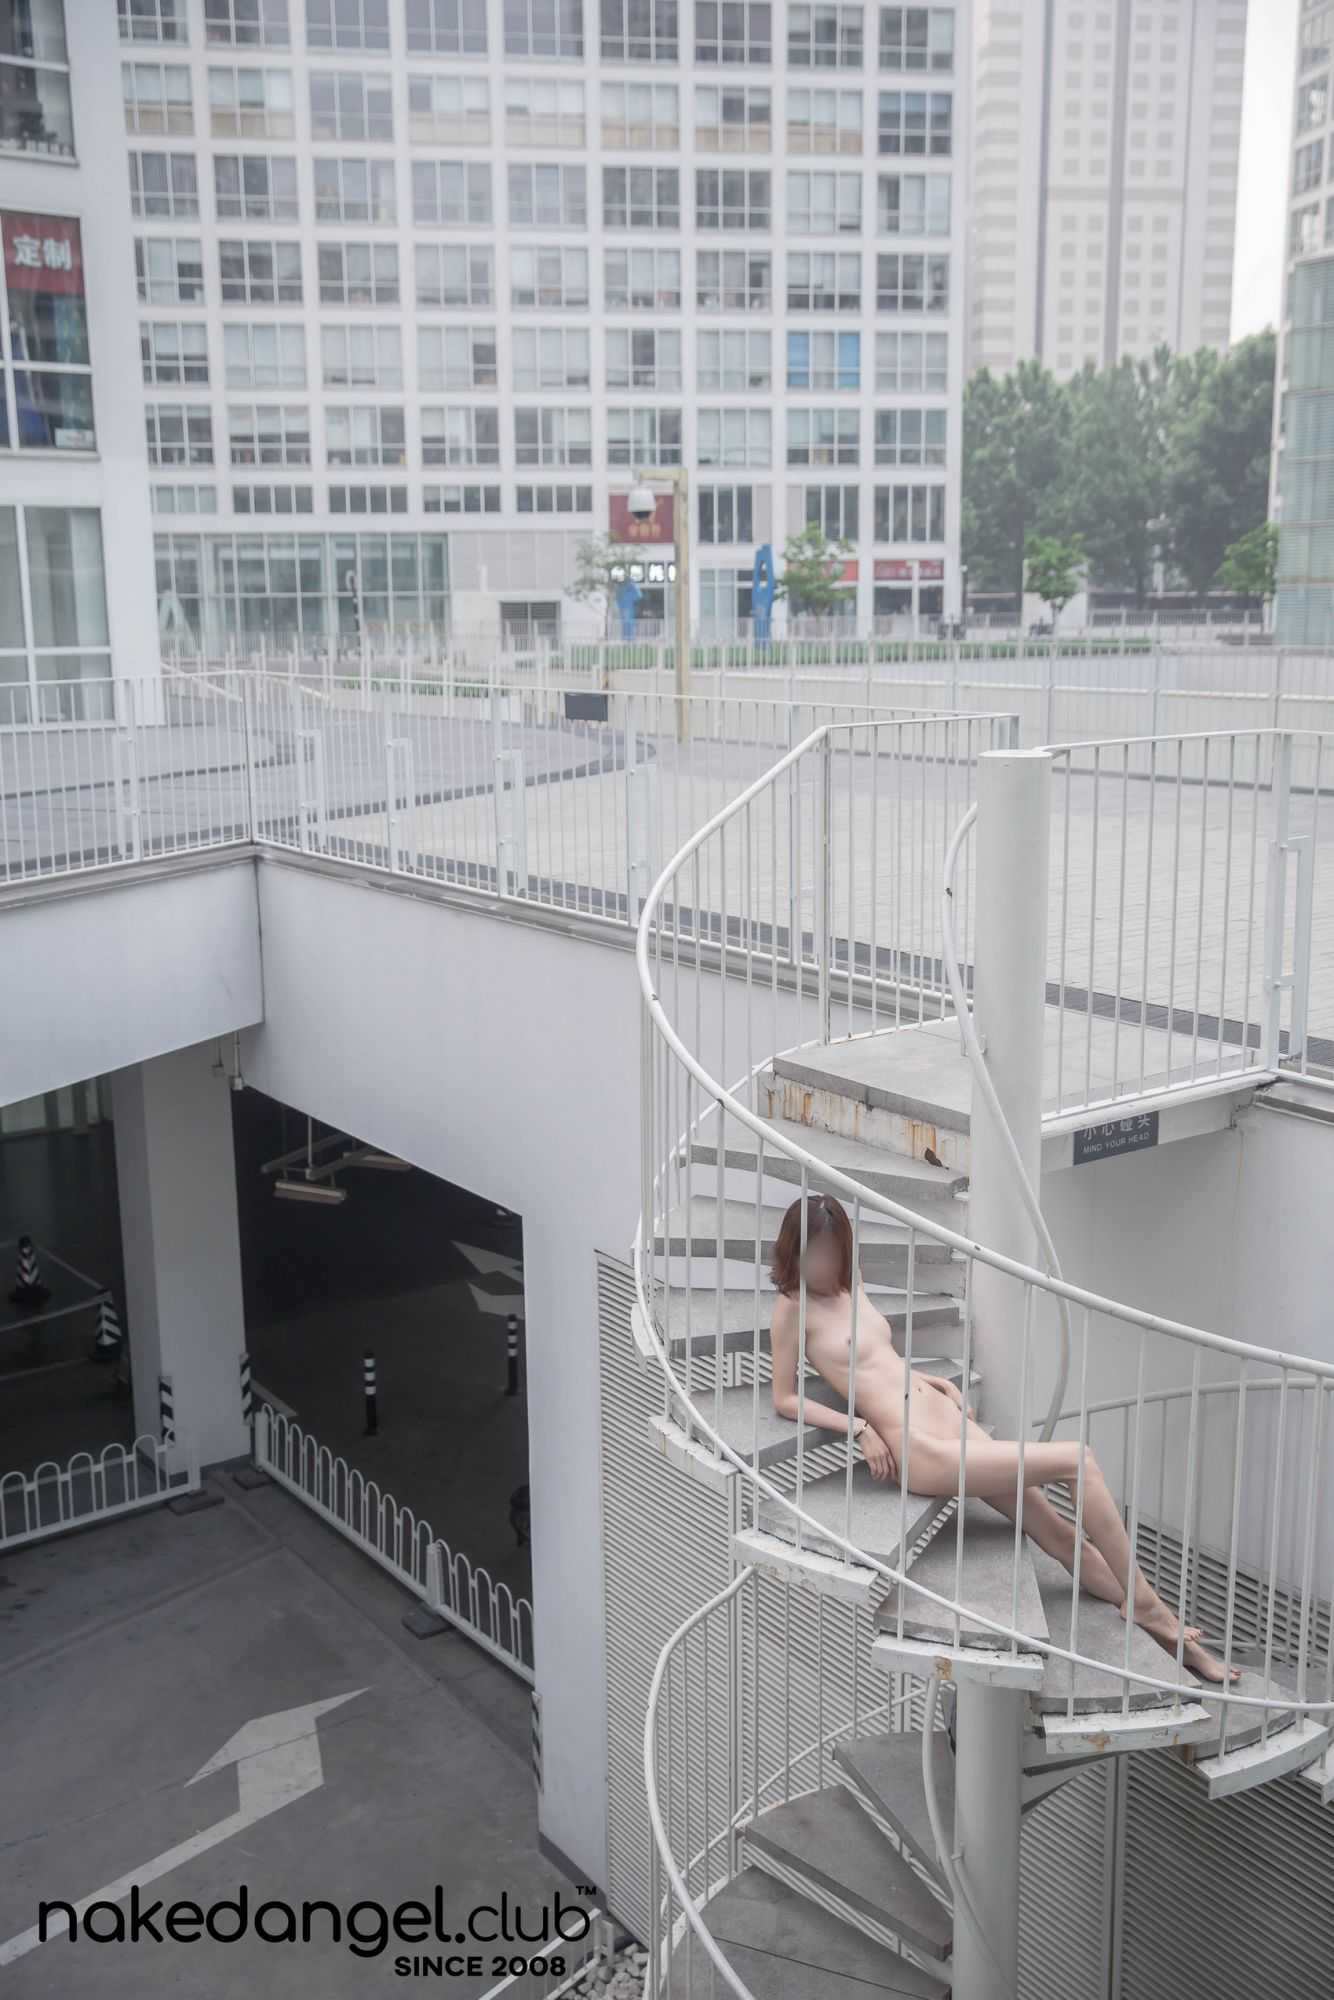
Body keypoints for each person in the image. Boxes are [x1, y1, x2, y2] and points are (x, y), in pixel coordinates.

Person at [768, 1191, 1238, 1686]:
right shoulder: (792, 1308)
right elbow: (785, 1398)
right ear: (794, 1250)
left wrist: (936, 1382)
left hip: (945, 1417)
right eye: (814, 1253)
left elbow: (881, 1361)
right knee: (1078, 1461)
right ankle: (1150, 1608)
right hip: (920, 1446)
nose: (824, 1264)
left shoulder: (853, 1284)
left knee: (1060, 1535)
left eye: (832, 1251)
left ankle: (1175, 1642)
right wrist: (860, 1428)